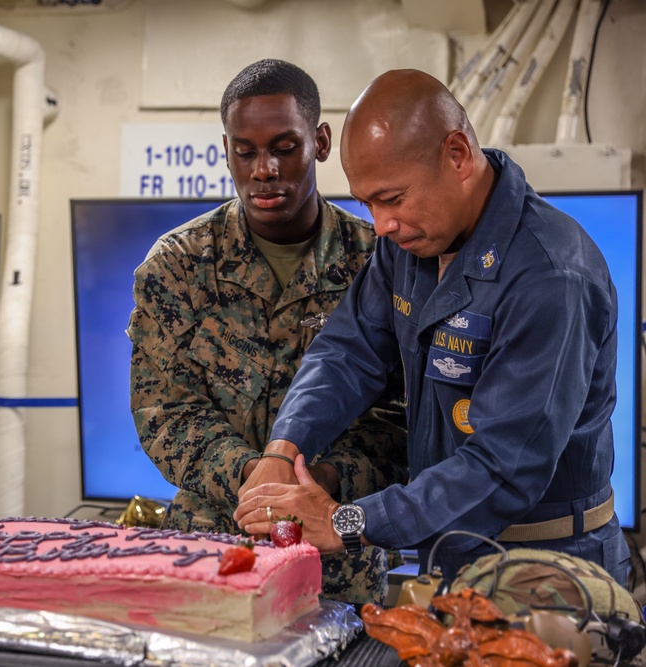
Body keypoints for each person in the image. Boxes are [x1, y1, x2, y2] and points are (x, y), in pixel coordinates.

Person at [234, 69, 630, 585]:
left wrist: (346, 522)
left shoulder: (552, 276)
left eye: (393, 199)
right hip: (449, 558)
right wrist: (283, 450)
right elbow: (346, 353)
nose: (380, 224)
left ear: (459, 156)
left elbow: (501, 468)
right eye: (366, 203)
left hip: (546, 570)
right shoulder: (411, 245)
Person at [127, 59, 408, 605]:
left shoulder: (382, 261)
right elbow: (164, 412)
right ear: (225, 149)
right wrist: (254, 477)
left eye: (284, 147)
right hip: (208, 547)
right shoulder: (178, 265)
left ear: (321, 142)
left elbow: (406, 414)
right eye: (245, 150)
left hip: (336, 555)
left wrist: (325, 479)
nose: (263, 169)